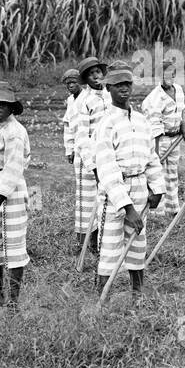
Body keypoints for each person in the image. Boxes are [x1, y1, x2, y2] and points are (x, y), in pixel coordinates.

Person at [93, 68, 165, 293]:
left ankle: (138, 294)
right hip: (114, 193)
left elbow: (151, 157)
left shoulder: (142, 120)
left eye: (127, 84)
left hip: (140, 185)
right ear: (108, 89)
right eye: (118, 85)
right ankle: (103, 296)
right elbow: (106, 168)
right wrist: (127, 208)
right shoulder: (106, 124)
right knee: (110, 246)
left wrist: (157, 188)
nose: (124, 88)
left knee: (137, 243)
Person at [0, 84, 33, 306]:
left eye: (3, 105)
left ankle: (13, 301)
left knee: (14, 246)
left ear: (12, 107)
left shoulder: (15, 133)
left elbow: (12, 169)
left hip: (11, 194)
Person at [71, 56, 110, 254]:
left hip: (107, 155)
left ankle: (103, 242)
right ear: (85, 79)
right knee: (87, 203)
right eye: (90, 74)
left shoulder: (109, 94)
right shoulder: (83, 101)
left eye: (98, 72)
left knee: (105, 199)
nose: (96, 77)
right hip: (88, 159)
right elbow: (82, 137)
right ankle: (86, 245)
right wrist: (92, 165)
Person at [142, 60, 185, 218]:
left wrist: (183, 125)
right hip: (160, 139)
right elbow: (154, 127)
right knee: (158, 175)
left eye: (171, 73)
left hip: (175, 139)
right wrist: (156, 152)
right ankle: (157, 213)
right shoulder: (155, 98)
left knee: (172, 174)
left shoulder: (179, 90)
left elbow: (181, 111)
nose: (168, 76)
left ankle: (173, 209)